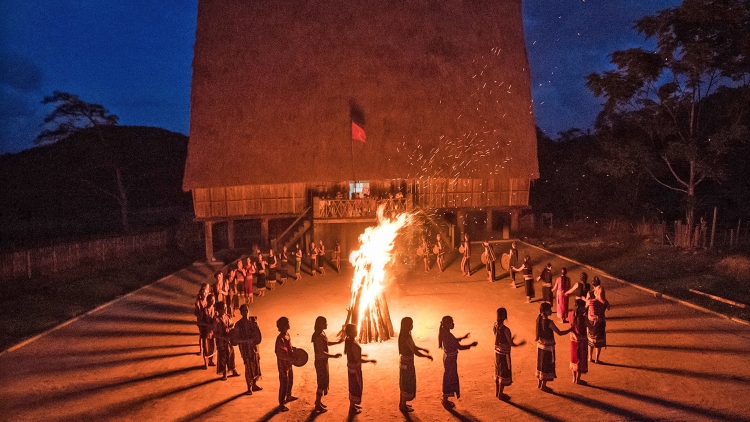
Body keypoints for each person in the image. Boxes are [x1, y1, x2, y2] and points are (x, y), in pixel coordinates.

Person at [438, 315, 477, 408]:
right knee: (449, 378)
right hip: (451, 360)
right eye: (451, 322)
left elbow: (454, 341)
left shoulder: (445, 333)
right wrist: (471, 345)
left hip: (448, 358)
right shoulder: (448, 335)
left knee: (448, 376)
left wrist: (463, 337)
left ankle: (445, 398)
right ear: (447, 324)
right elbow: (459, 346)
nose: (453, 324)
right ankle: (445, 400)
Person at [398, 317, 433, 413]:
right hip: (408, 363)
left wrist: (422, 349)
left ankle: (402, 403)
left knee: (403, 382)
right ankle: (403, 406)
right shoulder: (407, 337)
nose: (412, 326)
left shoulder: (402, 335)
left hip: (403, 361)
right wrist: (426, 356)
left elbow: (413, 347)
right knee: (407, 383)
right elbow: (414, 351)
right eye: (411, 324)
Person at [535, 302, 570, 391]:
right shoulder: (549, 322)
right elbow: (560, 333)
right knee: (546, 365)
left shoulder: (538, 319)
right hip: (548, 347)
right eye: (549, 309)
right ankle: (544, 386)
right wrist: (570, 329)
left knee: (541, 364)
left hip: (540, 345)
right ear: (546, 311)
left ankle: (539, 384)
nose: (551, 311)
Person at [311, 316, 343, 413]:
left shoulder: (322, 333)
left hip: (323, 361)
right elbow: (321, 353)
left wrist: (337, 342)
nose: (326, 324)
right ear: (320, 324)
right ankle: (317, 404)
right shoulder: (317, 336)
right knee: (321, 383)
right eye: (325, 323)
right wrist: (334, 356)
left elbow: (327, 343)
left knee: (323, 381)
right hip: (320, 362)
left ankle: (318, 402)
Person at [344, 323, 377, 415]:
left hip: (351, 368)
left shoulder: (347, 340)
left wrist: (361, 354)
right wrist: (370, 360)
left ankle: (353, 405)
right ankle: (352, 408)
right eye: (355, 330)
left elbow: (349, 353)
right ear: (351, 332)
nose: (356, 331)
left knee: (353, 386)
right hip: (355, 369)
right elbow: (358, 359)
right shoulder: (353, 344)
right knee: (356, 387)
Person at [494, 307, 523, 400]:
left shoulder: (495, 326)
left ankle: (497, 392)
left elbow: (498, 338)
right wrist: (518, 344)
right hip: (504, 353)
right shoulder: (506, 329)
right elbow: (510, 343)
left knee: (498, 370)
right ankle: (500, 394)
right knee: (504, 372)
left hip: (497, 352)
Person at [233, 304, 262, 394]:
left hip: (254, 348)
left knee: (255, 365)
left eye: (247, 310)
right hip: (245, 349)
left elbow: (258, 336)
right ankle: (249, 387)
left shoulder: (253, 321)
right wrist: (246, 341)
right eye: (244, 311)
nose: (246, 312)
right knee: (248, 367)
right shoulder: (238, 325)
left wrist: (256, 327)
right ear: (241, 312)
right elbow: (235, 339)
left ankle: (254, 384)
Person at [275, 317, 298, 411]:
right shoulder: (280, 339)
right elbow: (279, 353)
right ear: (284, 326)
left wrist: (293, 349)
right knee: (284, 383)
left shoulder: (287, 334)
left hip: (289, 364)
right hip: (283, 366)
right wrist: (290, 358)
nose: (289, 324)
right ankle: (281, 403)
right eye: (288, 323)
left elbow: (289, 347)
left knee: (290, 380)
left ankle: (288, 395)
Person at [213, 301, 239, 380]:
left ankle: (232, 369)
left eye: (225, 308)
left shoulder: (227, 317)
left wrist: (231, 328)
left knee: (231, 355)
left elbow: (231, 325)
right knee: (222, 357)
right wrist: (223, 337)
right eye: (224, 308)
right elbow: (215, 333)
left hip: (229, 340)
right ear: (219, 309)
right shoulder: (216, 320)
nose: (225, 309)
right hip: (221, 342)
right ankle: (224, 373)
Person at [587, 276, 610, 363]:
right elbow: (608, 307)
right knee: (599, 341)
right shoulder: (603, 300)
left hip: (591, 321)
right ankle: (597, 358)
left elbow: (586, 304)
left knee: (590, 340)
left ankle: (590, 357)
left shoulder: (590, 295)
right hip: (600, 321)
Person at [569, 299, 588, 384]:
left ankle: (573, 378)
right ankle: (578, 379)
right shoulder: (582, 318)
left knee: (574, 357)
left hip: (573, 339)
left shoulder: (571, 315)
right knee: (580, 358)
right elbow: (588, 326)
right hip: (581, 339)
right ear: (581, 307)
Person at [199, 294, 216, 368]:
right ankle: (206, 362)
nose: (212, 301)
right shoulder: (204, 310)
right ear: (208, 301)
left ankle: (211, 360)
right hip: (205, 331)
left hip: (212, 331)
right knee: (206, 347)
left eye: (213, 300)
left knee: (212, 346)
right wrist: (207, 324)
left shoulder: (214, 309)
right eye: (211, 300)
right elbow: (200, 321)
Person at [194, 283, 211, 357]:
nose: (204, 294)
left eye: (206, 292)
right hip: (201, 321)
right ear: (201, 293)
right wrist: (200, 315)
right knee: (201, 335)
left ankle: (208, 349)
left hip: (207, 321)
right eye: (203, 292)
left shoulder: (208, 301)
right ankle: (201, 350)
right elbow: (195, 313)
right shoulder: (198, 302)